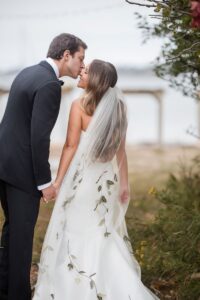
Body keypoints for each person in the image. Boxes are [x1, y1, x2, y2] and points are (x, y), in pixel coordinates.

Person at [33, 59, 159, 300]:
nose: (81, 71)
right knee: (102, 233)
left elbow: (70, 146)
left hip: (82, 182)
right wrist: (124, 183)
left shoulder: (78, 105)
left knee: (76, 232)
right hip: (106, 182)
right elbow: (120, 151)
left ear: (96, 79)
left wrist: (58, 181)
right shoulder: (119, 106)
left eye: (86, 71)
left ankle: (73, 287)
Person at [0, 33, 87, 300]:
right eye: (80, 58)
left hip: (4, 164)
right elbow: (39, 138)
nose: (82, 66)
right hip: (22, 173)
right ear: (66, 55)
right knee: (21, 238)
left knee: (12, 232)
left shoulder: (27, 73)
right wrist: (44, 182)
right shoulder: (50, 84)